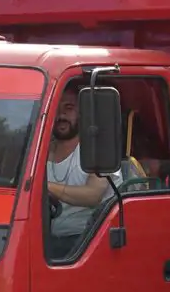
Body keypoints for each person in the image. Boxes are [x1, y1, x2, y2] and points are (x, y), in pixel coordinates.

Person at [45, 83, 120, 260]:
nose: (61, 115)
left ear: (83, 113)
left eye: (68, 108)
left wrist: (43, 187)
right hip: (42, 237)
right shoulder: (41, 150)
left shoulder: (97, 149)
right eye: (56, 108)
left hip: (85, 241)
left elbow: (92, 195)